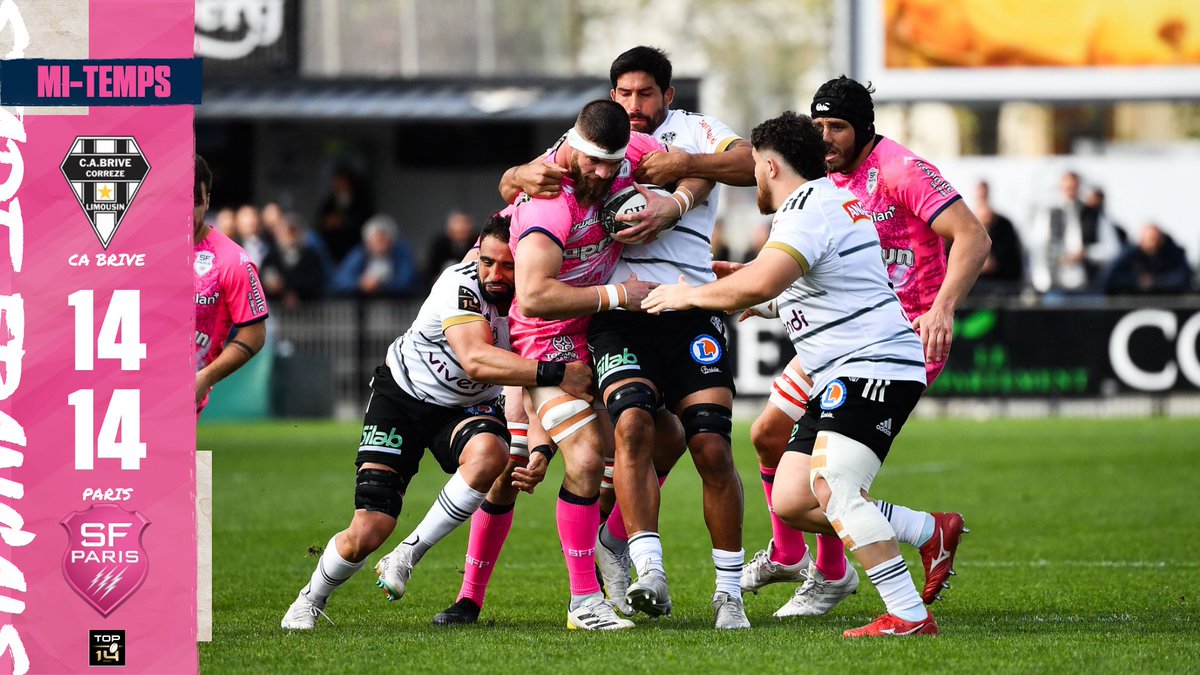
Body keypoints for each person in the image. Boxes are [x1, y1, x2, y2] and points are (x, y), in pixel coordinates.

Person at [644, 110, 939, 638]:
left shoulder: (807, 210)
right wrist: (763, 292)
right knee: (794, 499)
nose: (753, 179)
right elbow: (829, 280)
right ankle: (929, 531)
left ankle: (909, 615)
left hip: (871, 364)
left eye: (756, 167)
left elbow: (760, 285)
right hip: (846, 367)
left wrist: (687, 294)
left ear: (772, 166)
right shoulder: (827, 201)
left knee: (832, 485)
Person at [501, 46, 753, 629]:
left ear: (668, 96)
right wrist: (516, 175)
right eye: (623, 94)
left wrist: (677, 196)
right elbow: (522, 181)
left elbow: (748, 165)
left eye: (645, 95)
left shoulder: (692, 132)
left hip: (691, 306)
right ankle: (645, 573)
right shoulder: (593, 143)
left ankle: (728, 593)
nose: (633, 106)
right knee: (628, 430)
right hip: (617, 314)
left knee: (707, 445)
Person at [739, 76, 988, 618]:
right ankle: (817, 555)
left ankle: (845, 581)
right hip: (841, 335)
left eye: (838, 127)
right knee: (767, 438)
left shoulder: (899, 170)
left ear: (865, 127)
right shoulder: (819, 179)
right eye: (818, 126)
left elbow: (973, 235)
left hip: (899, 336)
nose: (825, 138)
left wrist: (942, 307)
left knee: (829, 484)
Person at [281, 214, 594, 630]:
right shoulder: (458, 285)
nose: (495, 275)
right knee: (370, 529)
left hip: (465, 409)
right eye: (487, 262)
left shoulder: (535, 304)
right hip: (402, 397)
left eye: (508, 266)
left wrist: (539, 448)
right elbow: (477, 361)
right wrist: (557, 373)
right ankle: (310, 599)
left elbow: (530, 397)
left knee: (491, 456)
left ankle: (408, 554)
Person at [504, 99, 674, 631]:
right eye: (595, 161)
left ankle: (612, 542)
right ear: (574, 146)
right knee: (582, 459)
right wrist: (618, 293)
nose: (604, 173)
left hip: (597, 333)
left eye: (613, 162)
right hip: (548, 340)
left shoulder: (632, 158)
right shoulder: (548, 199)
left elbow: (708, 168)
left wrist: (678, 201)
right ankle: (583, 603)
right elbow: (532, 296)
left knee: (666, 435)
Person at [193, 154, 269, 418]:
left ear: (207, 201)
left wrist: (205, 377)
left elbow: (254, 333)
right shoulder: (139, 251)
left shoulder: (231, 261)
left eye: (195, 203)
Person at [1030, 171, 1119, 293]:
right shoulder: (1048, 214)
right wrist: (1042, 280)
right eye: (1066, 187)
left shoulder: (1094, 215)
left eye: (1074, 187)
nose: (1070, 191)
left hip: (1088, 286)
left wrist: (1087, 253)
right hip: (1056, 286)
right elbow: (1037, 249)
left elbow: (1112, 249)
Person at [330, 214, 421, 297]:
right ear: (368, 241)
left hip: (398, 305)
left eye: (383, 240)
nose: (380, 245)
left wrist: (381, 285)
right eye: (376, 240)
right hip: (365, 306)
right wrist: (360, 284)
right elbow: (341, 280)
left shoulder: (402, 252)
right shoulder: (359, 253)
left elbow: (408, 280)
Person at [964, 180, 1023, 295]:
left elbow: (1012, 256)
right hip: (972, 289)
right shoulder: (964, 224)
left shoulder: (1004, 225)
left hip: (999, 286)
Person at [259, 212, 329, 308]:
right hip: (277, 311)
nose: (289, 235)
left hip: (308, 310)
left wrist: (292, 289)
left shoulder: (310, 255)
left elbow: (316, 280)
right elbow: (263, 280)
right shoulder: (271, 256)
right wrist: (275, 288)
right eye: (285, 231)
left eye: (293, 231)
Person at [1102, 222, 1193, 295]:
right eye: (1151, 239)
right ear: (1142, 240)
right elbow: (1110, 277)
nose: (1154, 244)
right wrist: (1137, 281)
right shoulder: (1129, 254)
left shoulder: (1173, 253)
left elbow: (1184, 276)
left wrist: (1157, 282)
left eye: (1158, 239)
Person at [315, 165, 374, 264]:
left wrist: (344, 221)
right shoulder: (329, 202)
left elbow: (367, 222)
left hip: (354, 246)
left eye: (340, 181)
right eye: (335, 182)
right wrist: (327, 223)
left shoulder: (360, 201)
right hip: (331, 248)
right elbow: (319, 223)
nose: (337, 185)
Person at [425, 211, 479, 287]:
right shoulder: (440, 244)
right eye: (458, 223)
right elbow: (430, 271)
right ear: (449, 228)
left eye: (465, 223)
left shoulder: (478, 243)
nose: (462, 227)